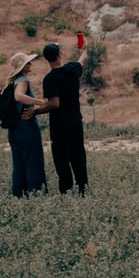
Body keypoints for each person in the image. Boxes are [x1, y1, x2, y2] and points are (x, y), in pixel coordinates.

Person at [41, 41, 89, 195]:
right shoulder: (72, 69)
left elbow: (54, 104)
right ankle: (83, 188)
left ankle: (66, 190)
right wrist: (85, 48)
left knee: (62, 158)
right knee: (78, 154)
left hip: (59, 124)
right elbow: (83, 59)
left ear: (46, 59)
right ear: (59, 55)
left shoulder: (49, 79)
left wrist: (35, 111)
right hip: (75, 120)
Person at [4, 52, 47, 197]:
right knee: (33, 162)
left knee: (19, 164)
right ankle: (36, 194)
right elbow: (19, 96)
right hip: (27, 128)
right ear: (23, 66)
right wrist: (40, 102)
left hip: (14, 129)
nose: (31, 64)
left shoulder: (12, 81)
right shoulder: (22, 79)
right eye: (28, 62)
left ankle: (19, 195)